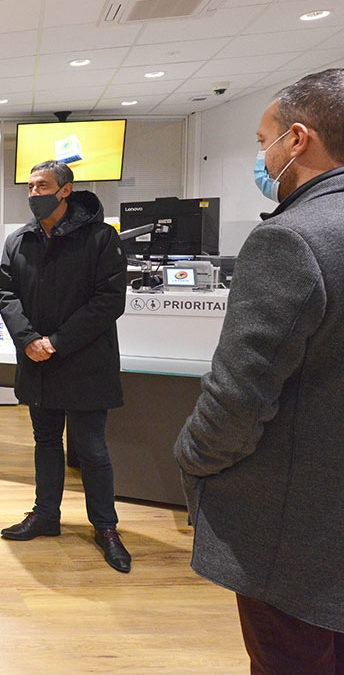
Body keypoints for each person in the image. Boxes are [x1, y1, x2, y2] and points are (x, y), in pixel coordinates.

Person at [174, 69, 344, 673]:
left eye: (263, 138)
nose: (261, 154)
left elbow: (237, 400)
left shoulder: (293, 240)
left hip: (300, 535)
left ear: (296, 140)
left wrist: (191, 458)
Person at [0, 160, 131, 573]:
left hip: (86, 361)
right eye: (30, 187)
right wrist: (28, 339)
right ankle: (46, 515)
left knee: (91, 449)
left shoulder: (101, 238)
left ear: (66, 190)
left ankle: (106, 528)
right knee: (46, 442)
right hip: (39, 363)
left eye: (43, 186)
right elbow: (5, 291)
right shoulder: (21, 240)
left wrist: (56, 341)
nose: (35, 193)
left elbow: (109, 301)